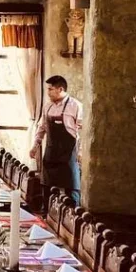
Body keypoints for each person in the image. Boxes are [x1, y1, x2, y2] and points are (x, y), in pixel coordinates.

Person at [31, 75, 83, 205]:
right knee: (46, 187)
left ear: (60, 89)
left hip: (69, 154)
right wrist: (35, 145)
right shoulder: (47, 106)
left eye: (50, 89)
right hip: (51, 152)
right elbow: (42, 127)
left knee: (72, 188)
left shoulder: (76, 106)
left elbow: (83, 131)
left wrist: (81, 151)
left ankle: (72, 219)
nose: (48, 92)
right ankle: (46, 216)